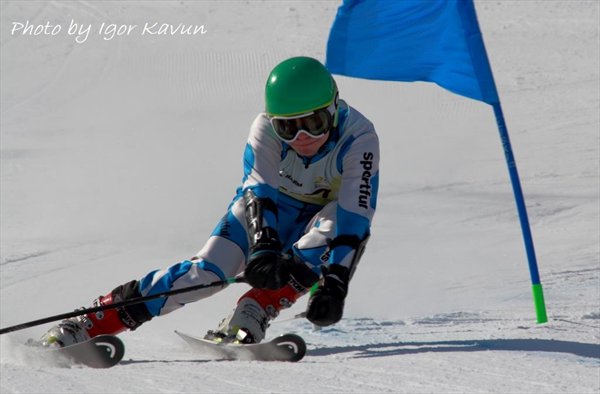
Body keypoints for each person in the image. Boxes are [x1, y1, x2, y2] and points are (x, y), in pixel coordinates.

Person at [41, 56, 380, 347]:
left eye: (313, 124)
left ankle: (256, 306)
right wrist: (264, 247)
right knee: (205, 274)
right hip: (267, 210)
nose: (301, 138)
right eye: (288, 128)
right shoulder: (263, 127)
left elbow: (355, 217)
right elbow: (259, 190)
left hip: (323, 216)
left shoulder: (359, 138)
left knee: (333, 229)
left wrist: (334, 286)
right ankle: (91, 322)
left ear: (334, 110)